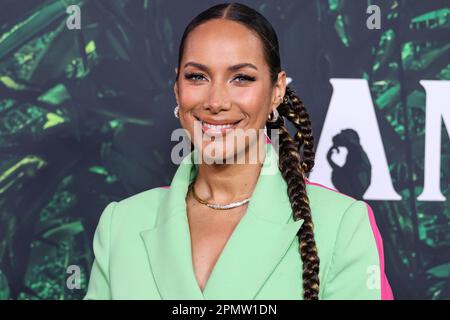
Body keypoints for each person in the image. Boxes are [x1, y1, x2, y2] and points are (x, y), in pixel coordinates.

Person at [84, 2, 393, 300]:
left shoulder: (341, 224)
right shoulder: (121, 224)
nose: (216, 101)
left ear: (276, 91)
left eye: (241, 78)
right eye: (197, 76)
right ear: (177, 88)